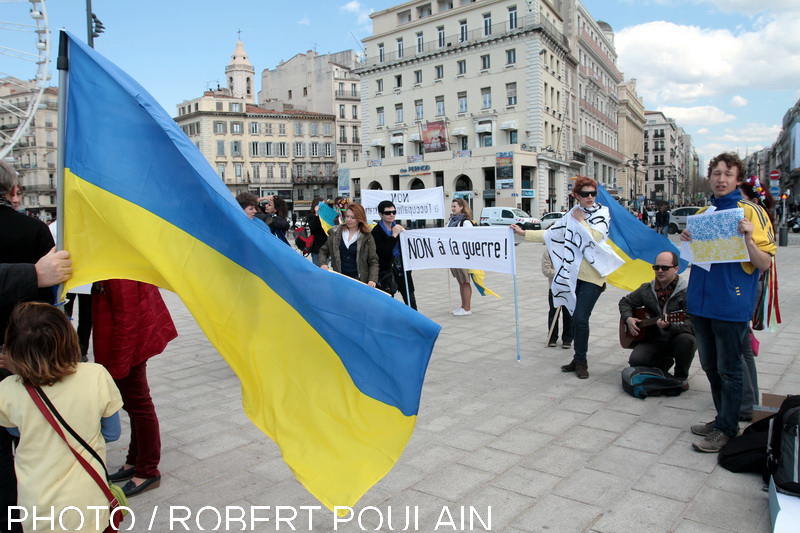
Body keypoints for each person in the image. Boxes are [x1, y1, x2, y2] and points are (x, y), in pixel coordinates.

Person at [0, 302, 123, 533]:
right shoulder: (97, 375)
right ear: (69, 338)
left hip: (36, 505)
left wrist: (20, 372)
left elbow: (16, 431)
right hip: (89, 500)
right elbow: (112, 433)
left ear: (12, 350)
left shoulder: (6, 390)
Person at [681, 153, 775, 453]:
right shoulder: (704, 212)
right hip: (701, 303)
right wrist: (686, 240)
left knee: (730, 368)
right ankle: (723, 418)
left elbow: (764, 264)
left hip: (730, 304)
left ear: (738, 179)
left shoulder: (751, 212)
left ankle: (728, 428)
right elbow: (693, 259)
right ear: (710, 177)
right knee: (710, 366)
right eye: (717, 173)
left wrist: (748, 238)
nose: (721, 179)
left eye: (728, 174)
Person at [512, 176, 622, 379]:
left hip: (594, 277)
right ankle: (577, 358)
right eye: (585, 194)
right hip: (572, 275)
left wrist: (581, 223)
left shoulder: (602, 213)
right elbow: (552, 234)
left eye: (593, 193)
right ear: (577, 196)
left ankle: (581, 361)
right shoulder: (571, 214)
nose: (590, 197)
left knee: (580, 318)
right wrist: (523, 233)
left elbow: (596, 237)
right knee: (574, 316)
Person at [92, 279, 178, 496]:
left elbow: (127, 318)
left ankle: (148, 470)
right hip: (125, 345)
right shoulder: (113, 257)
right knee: (135, 406)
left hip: (127, 348)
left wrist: (117, 367)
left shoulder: (117, 264)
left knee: (140, 406)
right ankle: (135, 461)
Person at [619, 251, 695, 382]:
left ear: (676, 269)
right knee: (636, 360)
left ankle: (680, 377)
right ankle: (663, 364)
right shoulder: (647, 289)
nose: (660, 271)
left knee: (686, 339)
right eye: (656, 267)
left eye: (665, 267)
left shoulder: (687, 292)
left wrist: (670, 325)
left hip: (678, 338)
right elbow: (625, 302)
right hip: (655, 338)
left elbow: (692, 325)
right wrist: (628, 318)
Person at [737, 176, 777, 421]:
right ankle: (751, 401)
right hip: (747, 285)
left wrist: (748, 238)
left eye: (740, 200)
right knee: (743, 346)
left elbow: (763, 261)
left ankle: (745, 405)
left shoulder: (756, 219)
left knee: (737, 347)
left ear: (752, 202)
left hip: (749, 285)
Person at [317, 203, 378, 287]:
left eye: (353, 218)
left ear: (360, 218)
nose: (349, 220)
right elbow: (323, 251)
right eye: (347, 216)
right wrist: (323, 264)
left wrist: (372, 280)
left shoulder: (367, 236)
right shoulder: (336, 233)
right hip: (339, 280)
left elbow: (373, 261)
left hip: (359, 282)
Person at [372, 200, 417, 309]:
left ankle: (414, 324)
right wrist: (393, 236)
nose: (391, 215)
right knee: (387, 302)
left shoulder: (398, 227)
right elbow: (383, 252)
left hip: (402, 269)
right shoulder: (376, 232)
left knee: (410, 301)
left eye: (394, 212)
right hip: (387, 271)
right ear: (380, 214)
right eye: (388, 213)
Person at [542, 250, 572, 349]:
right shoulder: (548, 251)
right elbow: (546, 270)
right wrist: (562, 273)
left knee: (568, 313)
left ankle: (567, 338)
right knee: (553, 313)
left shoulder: (570, 249)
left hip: (569, 288)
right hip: (554, 288)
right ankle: (552, 337)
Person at [448, 198, 473, 316]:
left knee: (465, 281)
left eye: (455, 206)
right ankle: (463, 306)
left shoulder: (465, 222)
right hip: (453, 255)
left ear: (461, 207)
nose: (453, 208)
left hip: (463, 256)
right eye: (452, 206)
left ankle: (467, 308)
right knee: (460, 282)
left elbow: (470, 238)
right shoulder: (451, 221)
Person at [307, 197, 328, 266]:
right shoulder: (312, 216)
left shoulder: (325, 216)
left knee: (325, 268)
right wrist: (317, 214)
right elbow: (313, 227)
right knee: (318, 267)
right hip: (316, 248)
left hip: (326, 247)